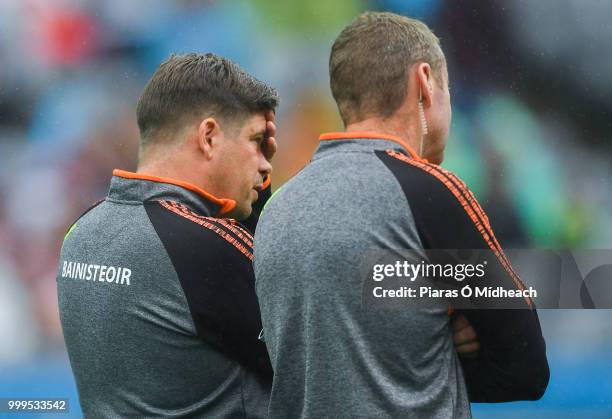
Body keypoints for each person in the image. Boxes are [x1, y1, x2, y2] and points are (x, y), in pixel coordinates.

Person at [254, 11, 549, 418]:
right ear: (425, 83)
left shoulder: (275, 209)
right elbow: (526, 367)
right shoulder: (430, 192)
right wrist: (438, 338)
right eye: (447, 88)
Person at [57, 53, 279, 417]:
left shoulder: (81, 232)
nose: (265, 162)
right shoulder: (202, 247)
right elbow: (317, 356)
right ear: (208, 137)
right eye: (256, 141)